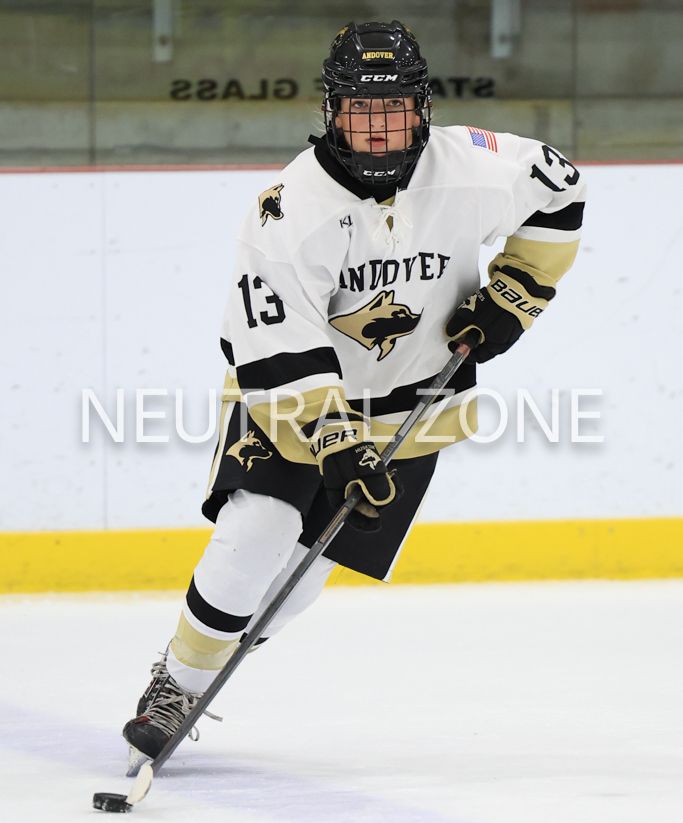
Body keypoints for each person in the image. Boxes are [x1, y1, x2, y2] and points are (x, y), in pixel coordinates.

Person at [122, 20, 586, 770]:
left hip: (410, 407)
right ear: (331, 111)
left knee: (305, 572)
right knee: (259, 527)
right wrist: (334, 439)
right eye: (360, 109)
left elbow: (561, 191)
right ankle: (177, 684)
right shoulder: (289, 210)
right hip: (290, 400)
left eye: (393, 107)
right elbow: (275, 342)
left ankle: (211, 664)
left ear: (422, 107)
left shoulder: (474, 167)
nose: (377, 128)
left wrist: (515, 294)